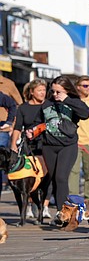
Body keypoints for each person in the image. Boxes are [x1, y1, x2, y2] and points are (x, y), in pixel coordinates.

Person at [40, 76, 89, 219]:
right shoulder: (47, 103)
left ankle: (63, 213)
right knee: (54, 178)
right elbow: (39, 120)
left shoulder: (73, 102)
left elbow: (85, 113)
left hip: (67, 145)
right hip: (49, 145)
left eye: (59, 92)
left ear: (67, 91)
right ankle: (60, 210)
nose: (55, 95)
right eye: (53, 91)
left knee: (61, 177)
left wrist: (67, 100)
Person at [10, 80, 50, 219]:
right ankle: (31, 203)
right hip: (29, 144)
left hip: (46, 143)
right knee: (29, 174)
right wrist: (13, 144)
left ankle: (44, 206)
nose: (42, 93)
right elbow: (17, 127)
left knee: (47, 175)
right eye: (39, 90)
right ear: (32, 92)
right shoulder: (23, 108)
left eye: (44, 90)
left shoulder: (48, 105)